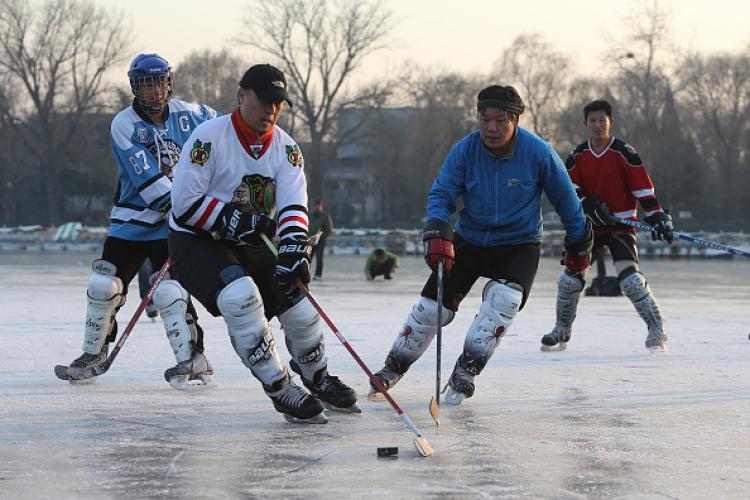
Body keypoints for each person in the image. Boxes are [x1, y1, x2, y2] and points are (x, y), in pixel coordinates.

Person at [368, 85, 592, 405]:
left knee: (504, 301)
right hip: (470, 241)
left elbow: (567, 201)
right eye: (484, 119)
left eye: (500, 120)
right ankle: (393, 366)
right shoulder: (465, 150)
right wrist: (436, 229)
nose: (491, 128)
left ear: (515, 120)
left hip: (519, 244)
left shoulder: (538, 152)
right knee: (431, 309)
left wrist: (579, 243)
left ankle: (467, 369)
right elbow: (443, 193)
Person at [168, 63, 358, 424]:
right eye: (264, 100)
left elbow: (292, 205)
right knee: (242, 299)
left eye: (279, 103)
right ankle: (279, 386)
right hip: (198, 241)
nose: (272, 109)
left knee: (300, 307)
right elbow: (185, 204)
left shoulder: (287, 149)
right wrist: (237, 220)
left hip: (253, 240)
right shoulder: (208, 138)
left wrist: (293, 248)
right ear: (242, 96)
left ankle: (317, 377)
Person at [57, 54, 218, 387]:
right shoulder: (124, 123)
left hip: (173, 225)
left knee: (171, 292)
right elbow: (147, 179)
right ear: (135, 87)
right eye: (146, 84)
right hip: (133, 219)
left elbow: (228, 133)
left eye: (159, 82)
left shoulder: (194, 115)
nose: (154, 91)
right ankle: (93, 352)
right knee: (103, 286)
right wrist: (190, 209)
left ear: (168, 82)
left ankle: (193, 357)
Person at [541, 99, 673, 353]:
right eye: (593, 121)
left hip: (620, 227)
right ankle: (562, 328)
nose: (598, 125)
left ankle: (657, 328)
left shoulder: (624, 152)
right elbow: (568, 190)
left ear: (610, 122)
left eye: (602, 120)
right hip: (588, 228)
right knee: (570, 279)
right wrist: (585, 202)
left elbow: (643, 189)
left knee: (631, 280)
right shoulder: (577, 155)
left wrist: (657, 216)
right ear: (585, 124)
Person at [309, 198, 333, 280]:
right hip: (310, 240)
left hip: (321, 241)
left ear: (322, 206)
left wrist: (322, 237)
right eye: (316, 205)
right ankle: (306, 273)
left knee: (319, 258)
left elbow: (328, 229)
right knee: (308, 258)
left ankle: (318, 275)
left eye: (319, 205)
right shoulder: (310, 216)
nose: (317, 207)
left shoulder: (325, 216)